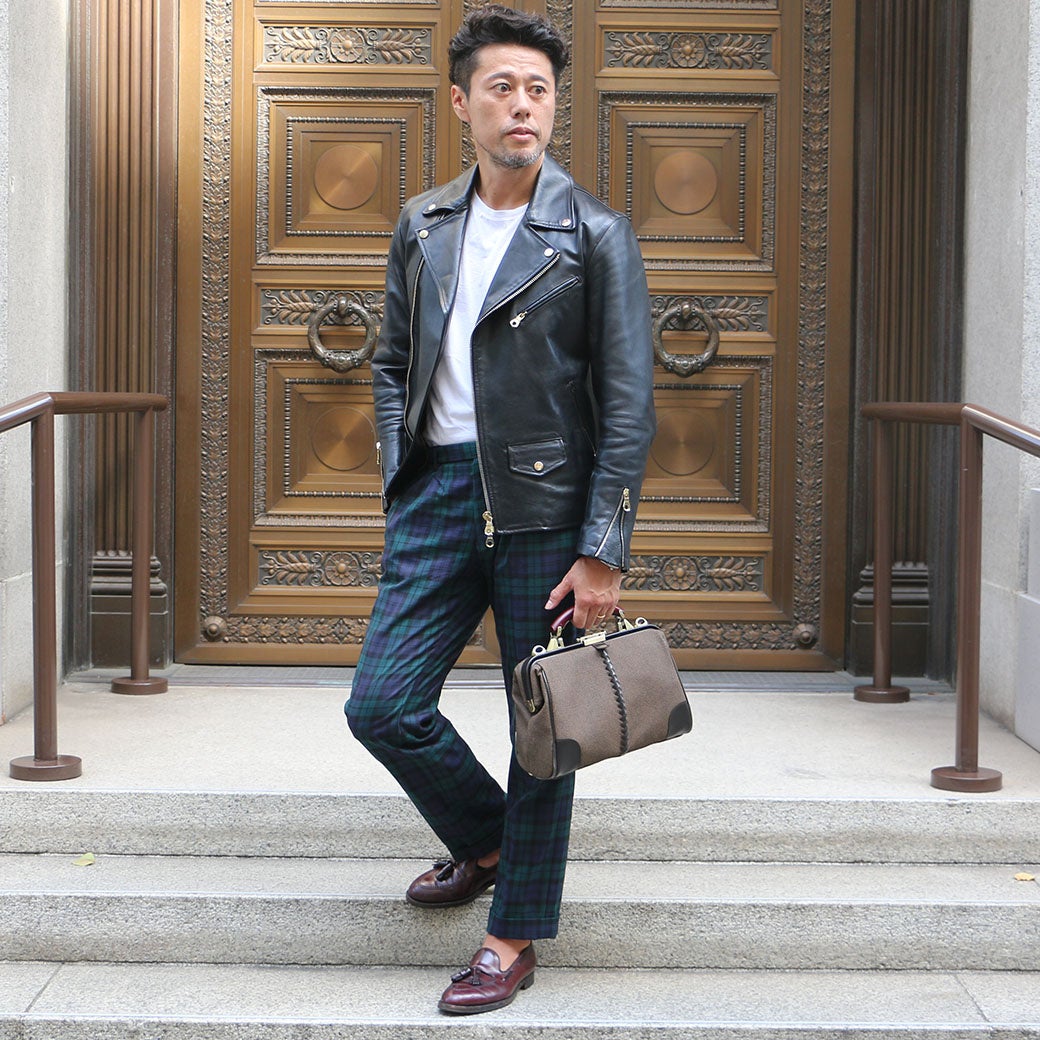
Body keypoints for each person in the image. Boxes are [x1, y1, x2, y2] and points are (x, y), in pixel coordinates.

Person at [345, 3, 655, 1016]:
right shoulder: (423, 222)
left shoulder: (594, 234)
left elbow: (627, 403)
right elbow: (391, 361)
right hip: (438, 495)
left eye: (538, 90)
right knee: (381, 705)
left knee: (544, 729)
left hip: (546, 510)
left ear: (553, 105)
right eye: (502, 88)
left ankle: (511, 935)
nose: (522, 105)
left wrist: (602, 549)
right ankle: (487, 842)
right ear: (461, 102)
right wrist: (400, 470)